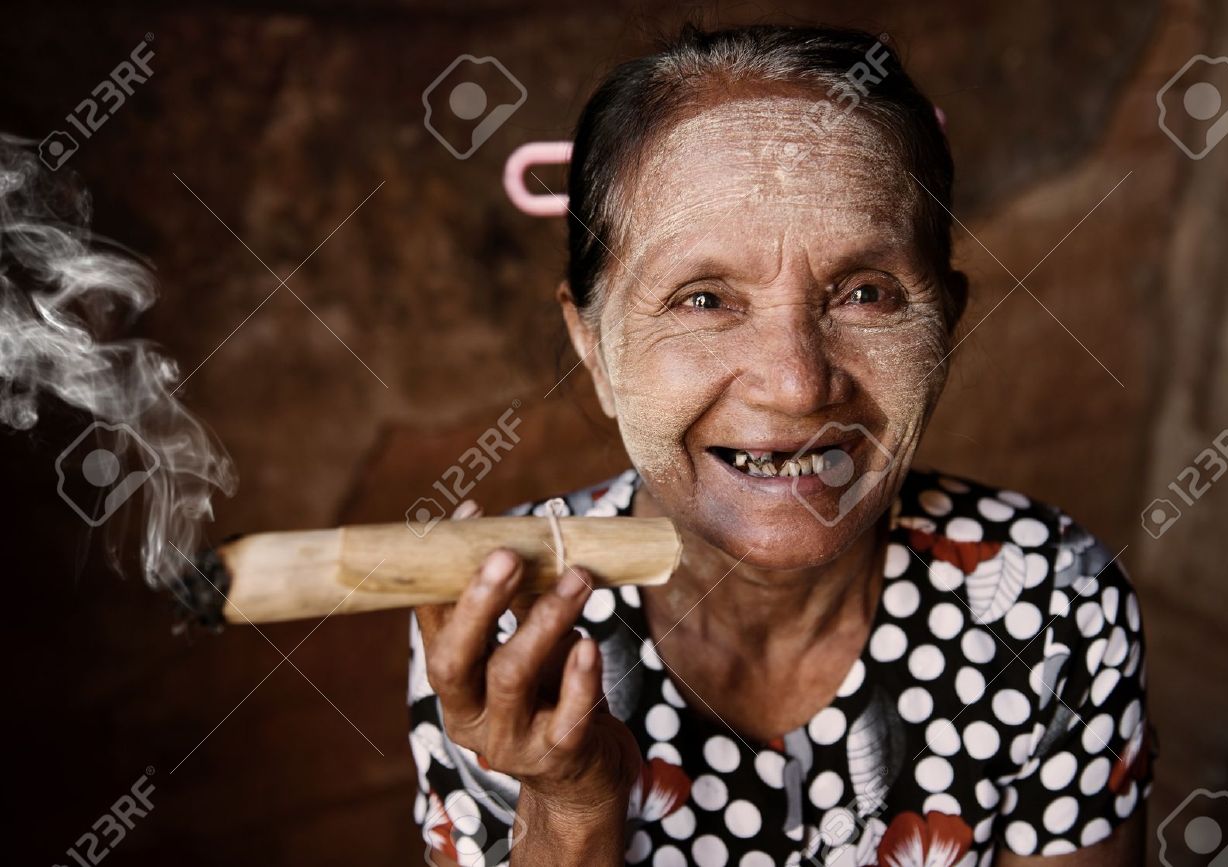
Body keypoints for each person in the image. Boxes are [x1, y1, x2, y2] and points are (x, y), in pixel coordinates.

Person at [409, 23, 1154, 867]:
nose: (798, 383)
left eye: (866, 292)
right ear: (595, 348)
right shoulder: (504, 623)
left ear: (945, 322)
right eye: (703, 299)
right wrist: (571, 805)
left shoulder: (1054, 605)